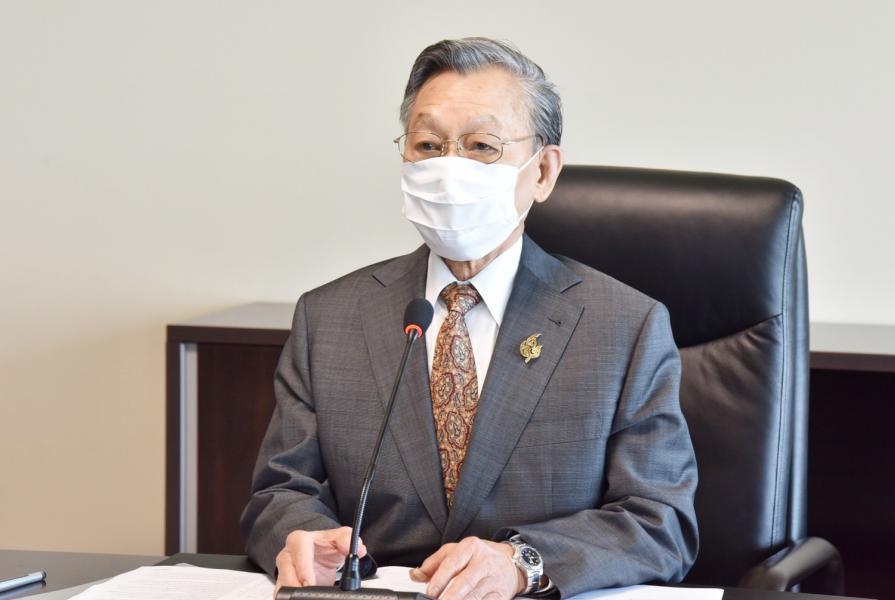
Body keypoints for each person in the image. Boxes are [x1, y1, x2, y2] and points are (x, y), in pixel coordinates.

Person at [240, 37, 699, 600]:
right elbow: (279, 493)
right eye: (428, 145)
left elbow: (660, 521)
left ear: (543, 172)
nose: (448, 168)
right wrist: (301, 537)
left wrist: (521, 562)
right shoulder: (330, 317)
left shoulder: (624, 326)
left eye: (482, 145)